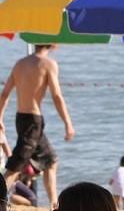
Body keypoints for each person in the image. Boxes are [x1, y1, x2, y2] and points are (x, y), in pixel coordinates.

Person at [0, 44, 75, 209]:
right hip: (33, 121)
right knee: (15, 167)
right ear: (52, 44)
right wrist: (68, 123)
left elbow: (4, 94)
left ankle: (54, 206)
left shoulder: (20, 64)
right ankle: (1, 201)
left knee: (50, 162)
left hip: (22, 119)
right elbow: (56, 96)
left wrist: (0, 118)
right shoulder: (48, 64)